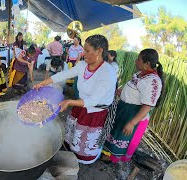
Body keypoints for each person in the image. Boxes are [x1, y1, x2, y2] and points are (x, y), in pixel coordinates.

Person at [34, 34, 117, 164]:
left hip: (95, 112)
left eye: (87, 50)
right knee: (74, 131)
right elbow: (65, 74)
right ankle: (70, 150)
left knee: (86, 138)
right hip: (80, 105)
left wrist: (69, 101)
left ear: (99, 51)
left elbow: (94, 101)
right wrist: (43, 83)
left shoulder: (108, 72)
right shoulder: (83, 65)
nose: (83, 53)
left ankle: (84, 159)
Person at [103, 49, 163, 163]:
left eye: (139, 59)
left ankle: (115, 158)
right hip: (124, 109)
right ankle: (110, 153)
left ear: (147, 64)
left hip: (133, 114)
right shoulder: (141, 74)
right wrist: (123, 92)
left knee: (122, 137)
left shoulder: (153, 81)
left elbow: (147, 106)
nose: (136, 61)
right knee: (116, 133)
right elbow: (136, 91)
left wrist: (132, 123)